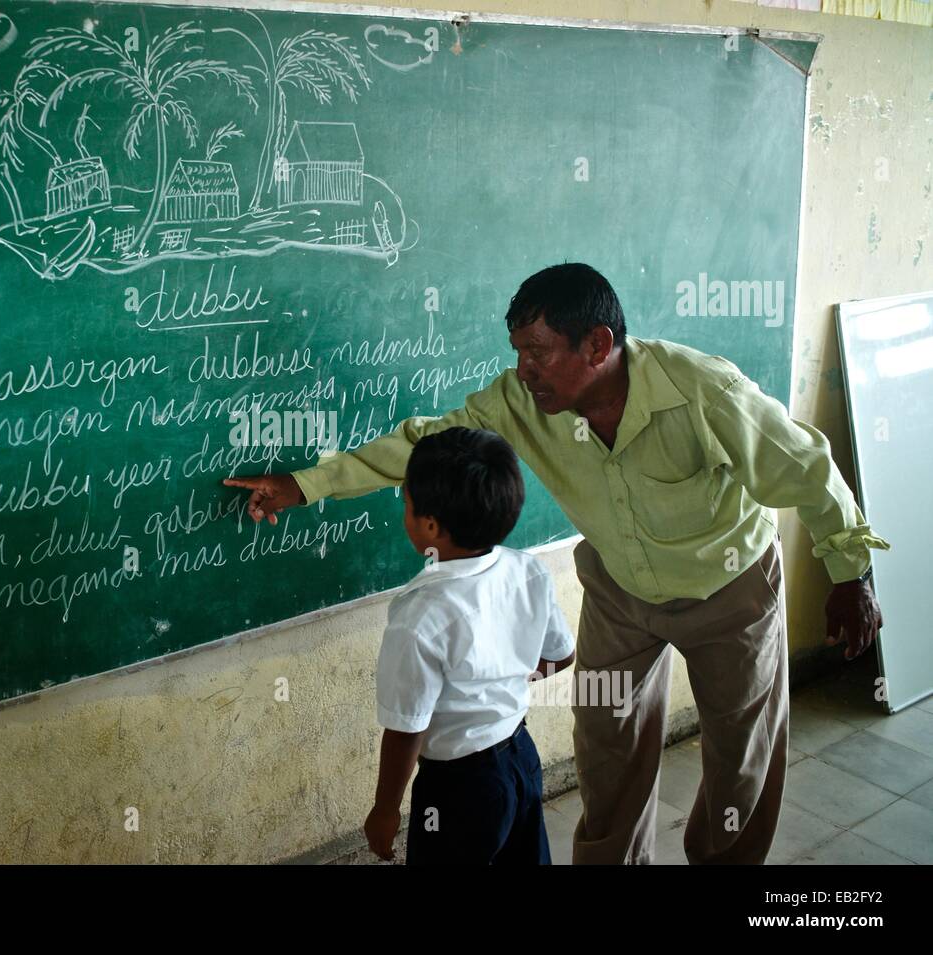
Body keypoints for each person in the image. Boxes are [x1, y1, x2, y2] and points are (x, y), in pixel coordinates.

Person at [225, 263, 889, 864]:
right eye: (518, 353)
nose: (524, 370)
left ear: (597, 345)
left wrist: (850, 573)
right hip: (622, 590)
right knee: (607, 744)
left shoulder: (701, 391)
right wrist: (304, 484)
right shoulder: (519, 405)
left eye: (538, 353)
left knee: (739, 761)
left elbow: (807, 468)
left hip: (728, 591)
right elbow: (427, 444)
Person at [363, 428, 574, 864]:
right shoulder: (527, 571)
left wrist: (385, 811)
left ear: (431, 525)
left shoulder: (419, 617)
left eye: (406, 504)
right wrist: (498, 682)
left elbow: (406, 728)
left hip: (458, 788)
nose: (405, 511)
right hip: (521, 758)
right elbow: (561, 655)